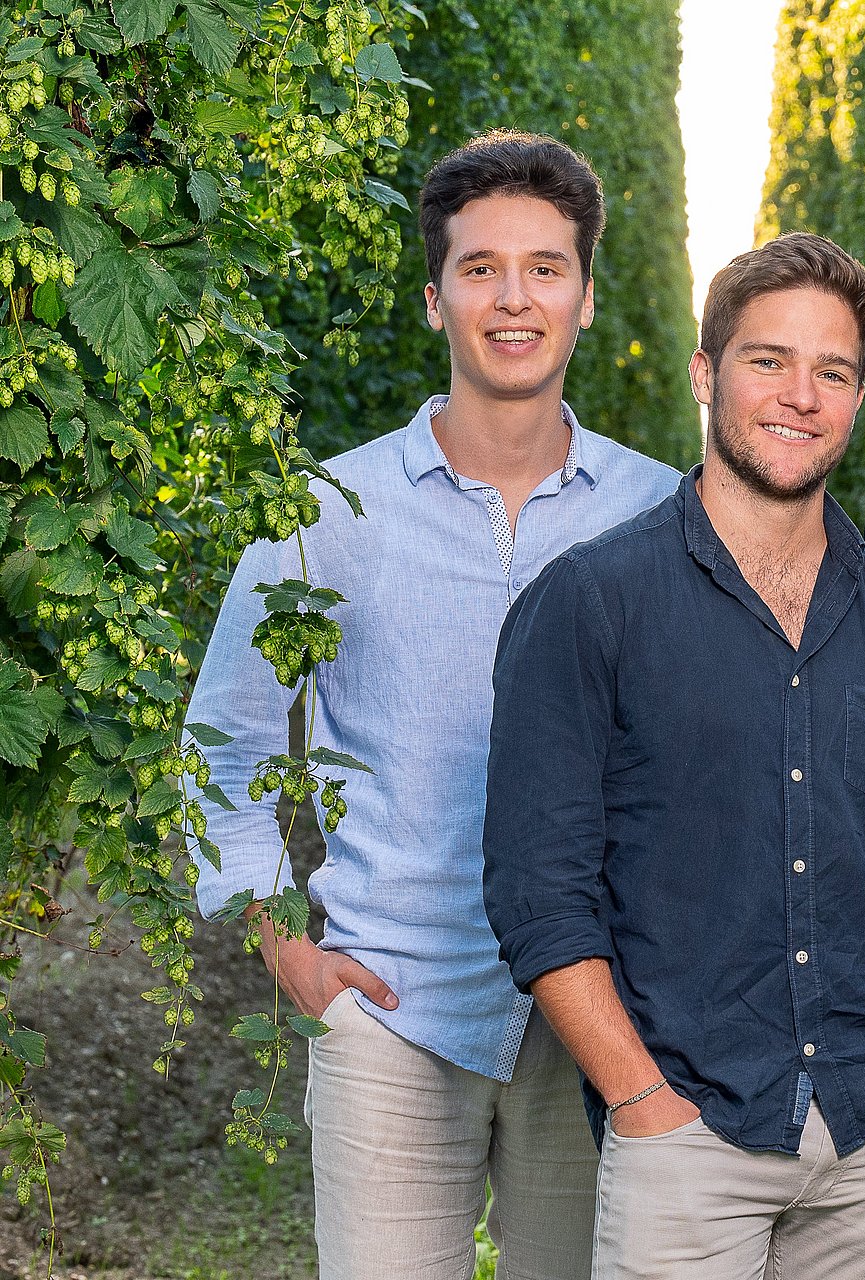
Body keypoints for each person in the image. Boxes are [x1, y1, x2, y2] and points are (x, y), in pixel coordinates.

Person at [186, 131, 680, 1280]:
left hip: (598, 1022)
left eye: (546, 268)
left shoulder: (662, 513)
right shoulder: (326, 512)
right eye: (481, 267)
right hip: (390, 1010)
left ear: (588, 297)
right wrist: (285, 949)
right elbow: (224, 744)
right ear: (434, 297)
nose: (515, 299)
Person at [481, 231, 865, 1280]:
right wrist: (641, 1098)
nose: (801, 394)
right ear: (707, 374)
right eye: (769, 360)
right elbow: (540, 893)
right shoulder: (592, 604)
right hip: (688, 1133)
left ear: (857, 395)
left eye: (833, 370)